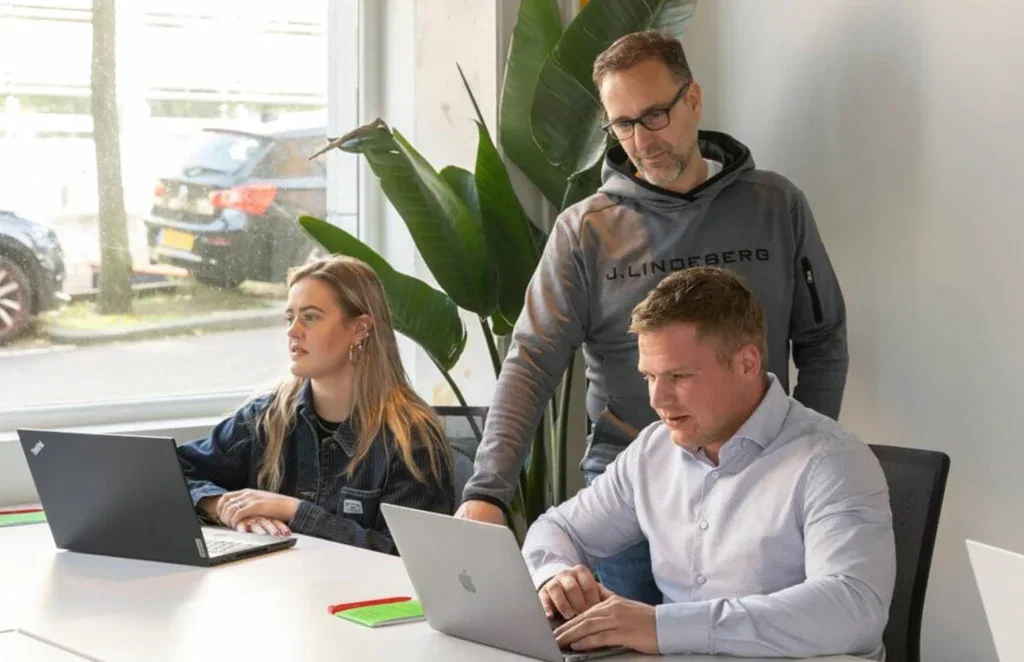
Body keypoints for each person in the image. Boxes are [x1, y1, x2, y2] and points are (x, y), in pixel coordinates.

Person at [458, 30, 849, 605]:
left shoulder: (775, 206)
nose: (641, 141)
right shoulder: (586, 231)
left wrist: (800, 456)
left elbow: (823, 342)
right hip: (631, 497)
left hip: (761, 491)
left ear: (693, 99)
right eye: (621, 125)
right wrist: (488, 492)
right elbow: (531, 363)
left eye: (656, 115)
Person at [523, 267, 894, 659]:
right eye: (649, 376)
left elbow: (852, 607)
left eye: (678, 376)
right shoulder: (652, 451)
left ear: (746, 364)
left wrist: (663, 627)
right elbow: (558, 528)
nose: (657, 399)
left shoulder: (833, 462)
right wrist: (555, 576)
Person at [177, 256, 455, 553]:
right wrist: (220, 504)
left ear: (360, 328)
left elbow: (413, 556)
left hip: (365, 597)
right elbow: (176, 471)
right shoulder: (265, 417)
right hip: (274, 592)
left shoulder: (411, 438)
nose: (292, 331)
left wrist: (296, 512)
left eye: (310, 317)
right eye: (290, 318)